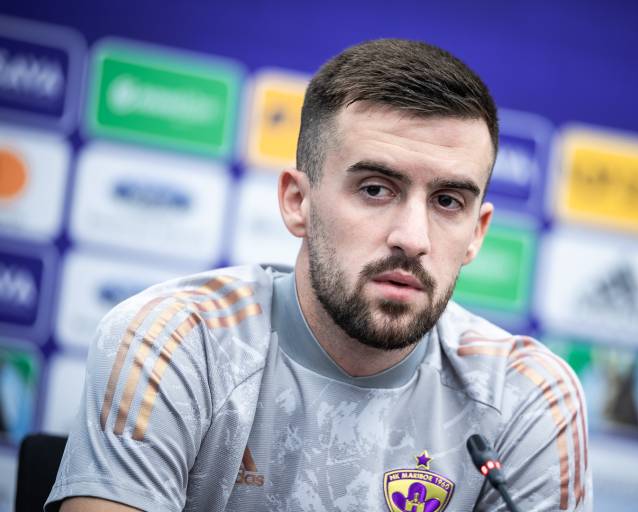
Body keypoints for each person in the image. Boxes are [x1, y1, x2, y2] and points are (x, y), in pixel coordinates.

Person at [47, 39, 591, 511]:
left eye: (448, 201)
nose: (413, 238)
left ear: (477, 232)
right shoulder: (176, 342)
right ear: (297, 202)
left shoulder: (527, 398)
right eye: (375, 189)